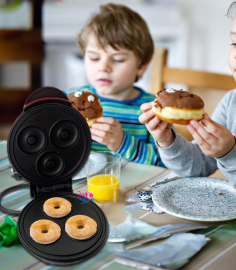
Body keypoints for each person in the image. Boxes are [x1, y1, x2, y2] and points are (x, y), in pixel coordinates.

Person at [139, 0, 236, 197]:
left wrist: (230, 153)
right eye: (235, 42)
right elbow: (199, 165)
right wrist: (167, 141)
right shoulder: (233, 101)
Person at [65, 3, 163, 166]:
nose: (103, 67)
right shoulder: (68, 101)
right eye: (94, 58)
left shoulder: (152, 111)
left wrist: (122, 143)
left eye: (117, 59)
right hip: (81, 188)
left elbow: (164, 164)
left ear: (141, 66)